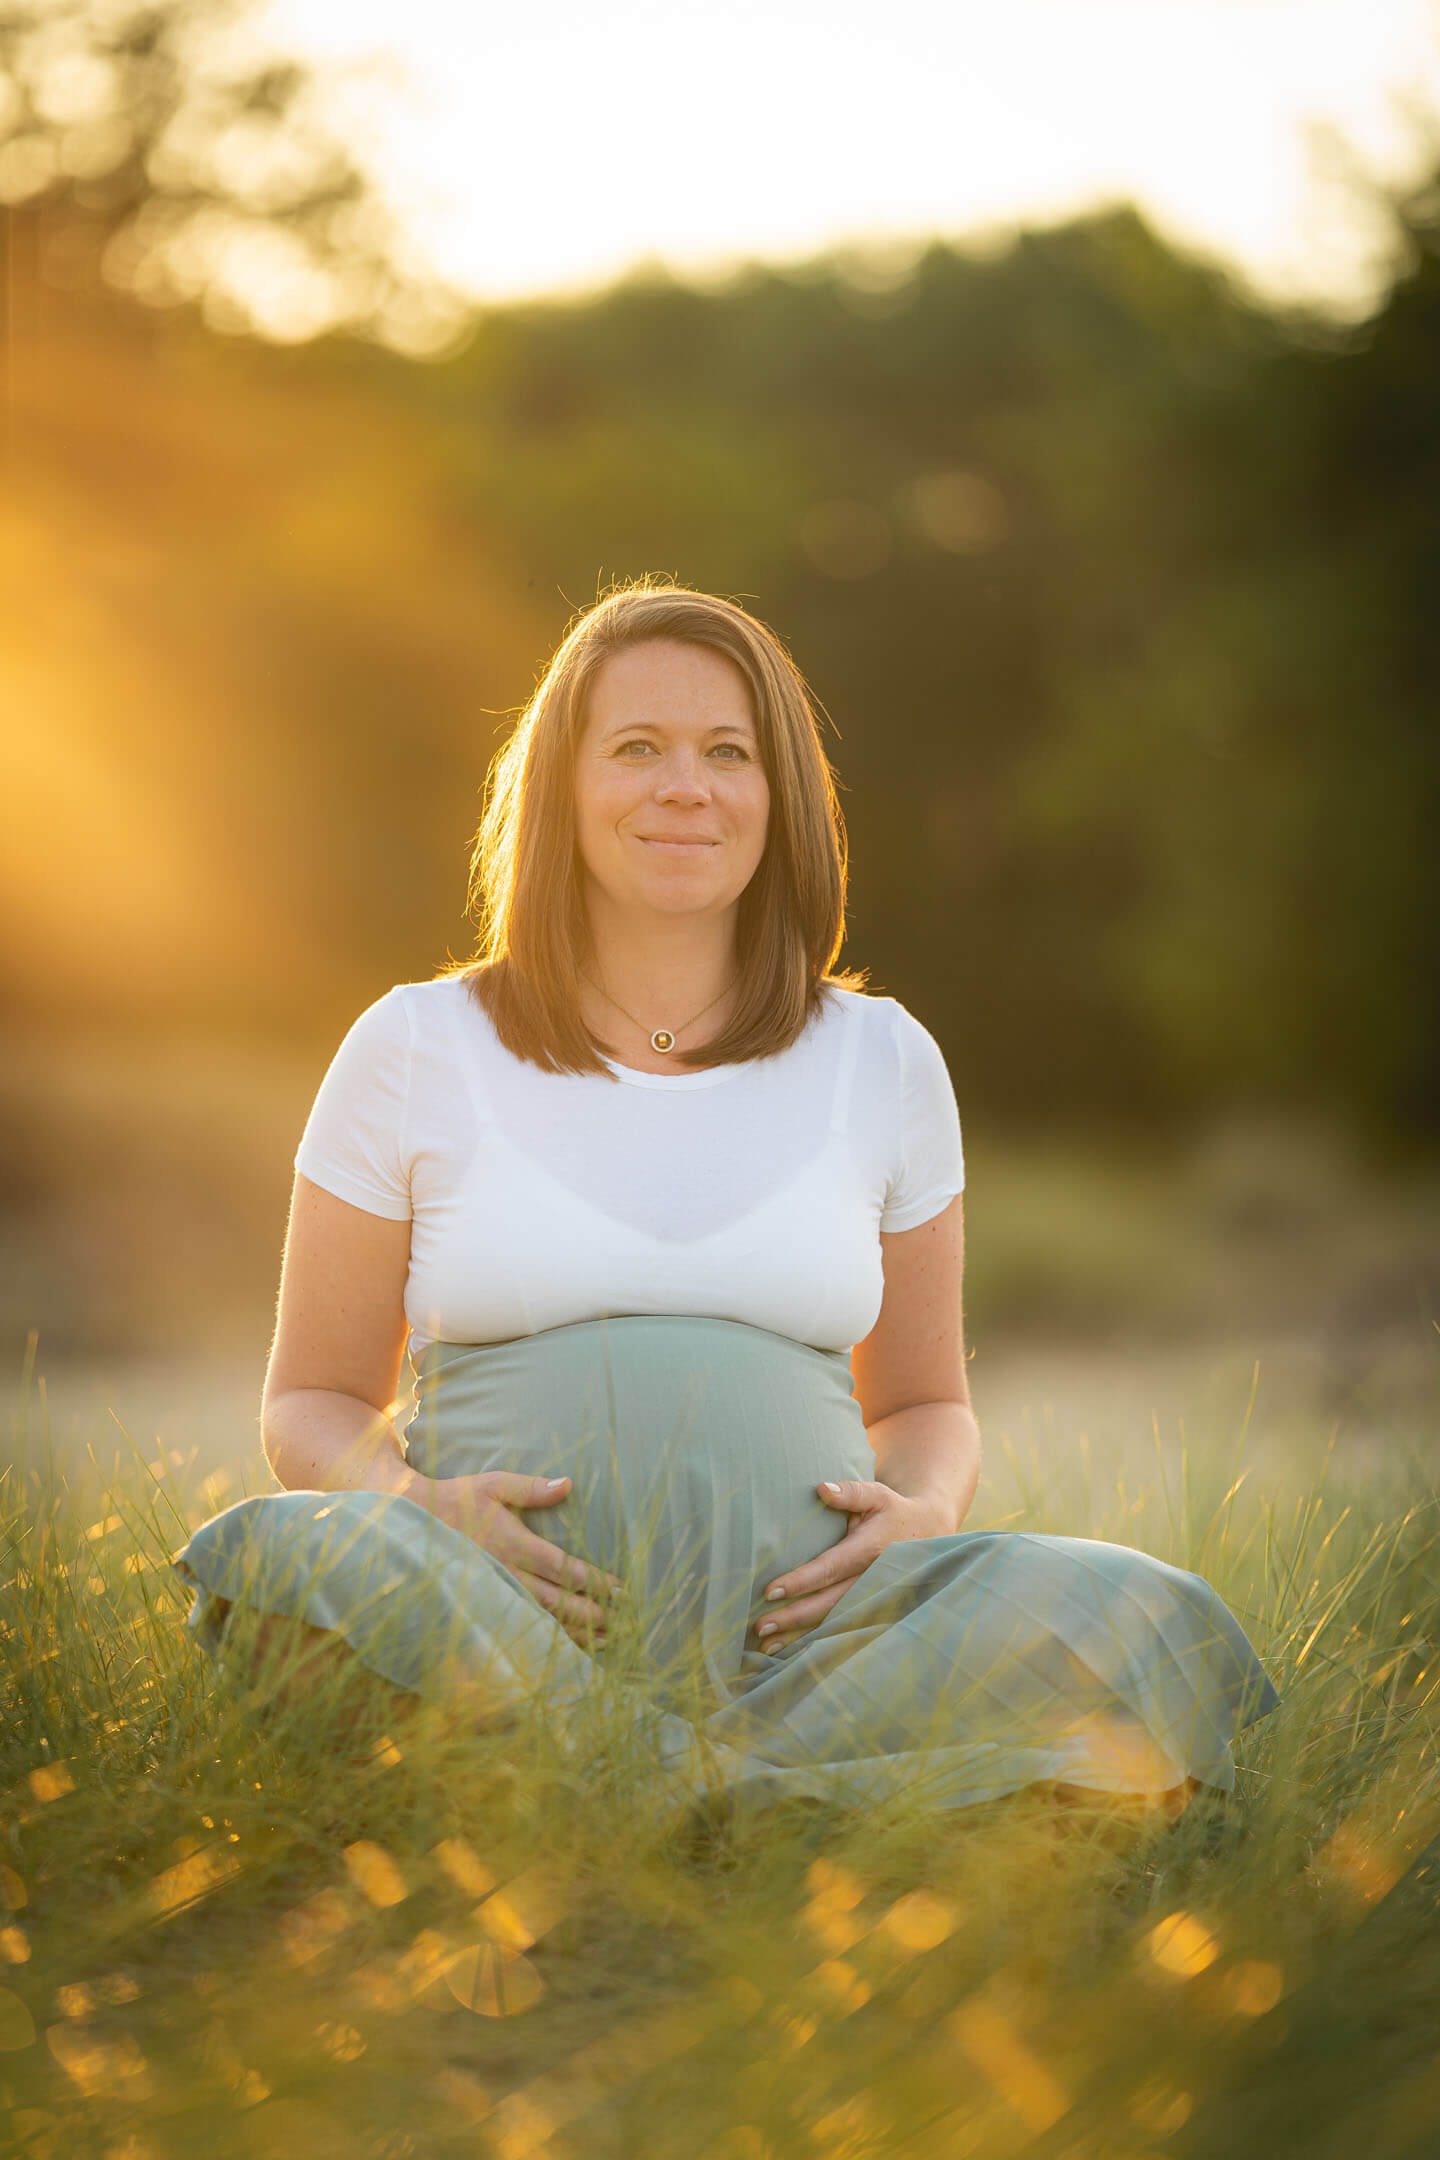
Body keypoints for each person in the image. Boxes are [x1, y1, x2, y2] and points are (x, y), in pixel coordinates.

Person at [171, 579, 1279, 1821]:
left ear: (778, 795)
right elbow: (312, 1401)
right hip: (500, 1641)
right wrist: (414, 1509)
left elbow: (924, 1403)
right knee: (293, 1559)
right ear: (563, 790)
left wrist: (921, 1513)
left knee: (1140, 1613)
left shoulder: (884, 1058)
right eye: (636, 748)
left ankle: (649, 1796)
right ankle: (761, 1807)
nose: (684, 786)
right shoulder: (417, 1045)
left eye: (727, 752)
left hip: (824, 1664)